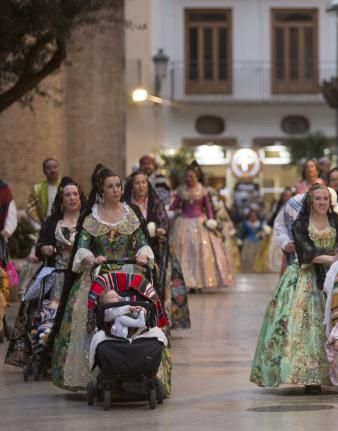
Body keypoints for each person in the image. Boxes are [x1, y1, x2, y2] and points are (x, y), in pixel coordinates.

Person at [45, 166, 156, 391]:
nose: (116, 190)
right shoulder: (90, 217)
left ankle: (138, 362)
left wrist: (144, 253)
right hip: (99, 275)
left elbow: (142, 240)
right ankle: (95, 371)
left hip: (129, 273)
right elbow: (82, 246)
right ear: (101, 190)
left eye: (118, 186)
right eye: (110, 187)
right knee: (89, 315)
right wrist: (90, 258)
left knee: (140, 311)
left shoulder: (131, 213)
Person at [250, 183, 338, 392]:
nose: (322, 202)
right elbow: (306, 253)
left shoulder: (335, 219)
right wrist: (332, 258)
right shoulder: (300, 224)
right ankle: (311, 376)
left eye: (325, 198)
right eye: (318, 199)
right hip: (306, 276)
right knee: (307, 326)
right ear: (310, 202)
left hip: (332, 275)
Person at [5, 177, 83, 368]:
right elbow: (40, 245)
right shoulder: (52, 221)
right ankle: (41, 351)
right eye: (67, 195)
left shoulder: (89, 221)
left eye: (75, 194)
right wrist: (44, 249)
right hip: (56, 273)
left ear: (80, 197)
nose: (72, 198)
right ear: (61, 199)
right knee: (32, 302)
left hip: (82, 276)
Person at [125, 171, 190, 329]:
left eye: (143, 183)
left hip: (157, 249)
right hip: (133, 250)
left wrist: (160, 230)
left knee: (164, 281)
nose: (141, 186)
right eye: (137, 183)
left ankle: (161, 319)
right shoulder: (127, 205)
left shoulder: (155, 202)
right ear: (132, 186)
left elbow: (164, 223)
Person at [168, 162, 234, 290]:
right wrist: (174, 210)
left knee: (201, 252)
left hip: (200, 223)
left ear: (197, 177)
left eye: (191, 176)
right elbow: (174, 206)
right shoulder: (181, 191)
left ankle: (200, 281)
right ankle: (186, 281)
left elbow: (208, 208)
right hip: (184, 223)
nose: (189, 179)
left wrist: (211, 222)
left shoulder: (203, 191)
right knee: (184, 253)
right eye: (187, 176)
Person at [26, 158, 61, 231]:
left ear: (59, 168)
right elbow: (31, 210)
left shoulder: (66, 187)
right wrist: (39, 228)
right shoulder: (37, 189)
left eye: (55, 167)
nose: (53, 170)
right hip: (45, 227)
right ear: (44, 171)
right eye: (49, 168)